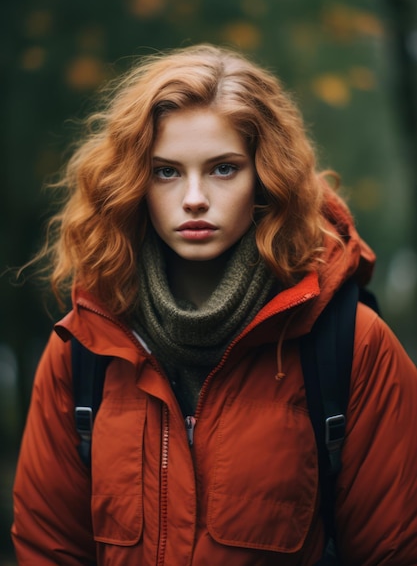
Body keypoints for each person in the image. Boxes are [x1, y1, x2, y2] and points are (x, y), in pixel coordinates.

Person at [12, 43, 417, 566]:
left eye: (224, 169)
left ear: (265, 178)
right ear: (133, 182)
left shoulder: (351, 345)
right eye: (166, 171)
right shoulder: (84, 349)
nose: (195, 197)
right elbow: (50, 548)